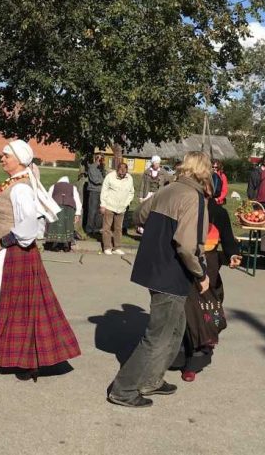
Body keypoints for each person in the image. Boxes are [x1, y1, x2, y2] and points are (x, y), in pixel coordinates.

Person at [106, 151, 211, 408]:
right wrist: (201, 273)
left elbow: (140, 216)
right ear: (203, 171)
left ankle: (152, 379)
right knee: (158, 335)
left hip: (154, 267)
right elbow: (187, 246)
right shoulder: (193, 197)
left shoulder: (167, 189)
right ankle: (124, 389)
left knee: (176, 329)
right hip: (172, 272)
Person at [0, 140, 80, 382]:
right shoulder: (13, 185)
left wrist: (2, 242)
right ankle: (18, 355)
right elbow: (0, 213)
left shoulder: (21, 189)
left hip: (15, 254)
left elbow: (29, 226)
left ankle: (27, 359)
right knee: (13, 306)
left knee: (18, 308)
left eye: (6, 156)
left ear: (20, 160)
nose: (2, 159)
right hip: (6, 253)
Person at [175, 180, 242, 382]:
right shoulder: (185, 206)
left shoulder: (218, 212)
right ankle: (177, 356)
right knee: (185, 312)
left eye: (207, 187)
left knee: (204, 312)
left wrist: (233, 255)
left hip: (209, 265)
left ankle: (195, 362)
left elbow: (228, 238)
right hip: (184, 262)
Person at [100, 162, 135, 255]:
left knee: (118, 228)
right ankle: (107, 247)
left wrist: (126, 203)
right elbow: (104, 191)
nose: (122, 175)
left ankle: (117, 247)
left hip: (122, 208)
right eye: (121, 173)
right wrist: (103, 205)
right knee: (107, 228)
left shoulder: (129, 178)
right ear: (117, 170)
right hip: (109, 206)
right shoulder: (110, 177)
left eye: (124, 173)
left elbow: (131, 192)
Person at [46, 176, 82, 252]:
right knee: (67, 225)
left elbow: (48, 198)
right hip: (69, 207)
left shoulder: (54, 186)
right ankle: (66, 246)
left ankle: (55, 245)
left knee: (56, 226)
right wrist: (78, 213)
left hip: (56, 206)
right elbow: (77, 200)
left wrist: (48, 210)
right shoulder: (73, 187)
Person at [83, 154, 106, 234]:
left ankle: (96, 228)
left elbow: (104, 177)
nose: (102, 161)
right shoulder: (92, 167)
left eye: (103, 159)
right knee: (92, 211)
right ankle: (89, 229)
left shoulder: (102, 168)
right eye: (101, 159)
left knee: (100, 211)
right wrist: (105, 181)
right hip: (94, 191)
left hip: (101, 192)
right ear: (97, 159)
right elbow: (95, 180)